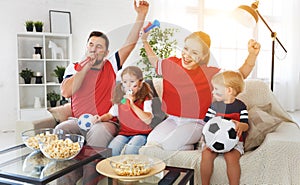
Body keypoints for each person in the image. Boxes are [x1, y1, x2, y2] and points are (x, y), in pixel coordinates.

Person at [55, 1, 149, 184]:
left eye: (99, 47)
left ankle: (90, 178)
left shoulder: (111, 64)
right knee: (60, 130)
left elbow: (130, 44)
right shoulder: (73, 67)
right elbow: (66, 92)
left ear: (106, 52)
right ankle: (68, 175)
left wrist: (141, 15)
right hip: (77, 122)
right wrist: (84, 68)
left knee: (98, 132)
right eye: (91, 44)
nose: (93, 49)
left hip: (103, 121)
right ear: (86, 47)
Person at [140, 31, 260, 151]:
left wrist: (252, 56)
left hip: (196, 123)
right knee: (151, 142)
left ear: (203, 56)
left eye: (194, 53)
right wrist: (144, 41)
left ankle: (186, 147)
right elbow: (155, 61)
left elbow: (240, 74)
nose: (187, 55)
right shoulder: (171, 64)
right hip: (172, 119)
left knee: (169, 145)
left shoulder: (210, 74)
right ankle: (187, 147)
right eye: (186, 49)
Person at [200, 70, 249, 185]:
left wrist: (240, 125)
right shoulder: (214, 106)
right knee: (206, 154)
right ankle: (204, 183)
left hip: (234, 142)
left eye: (216, 89)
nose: (213, 92)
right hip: (213, 141)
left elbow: (246, 125)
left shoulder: (241, 106)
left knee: (231, 158)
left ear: (229, 90)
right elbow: (206, 123)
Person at [93, 66, 153, 156]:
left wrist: (132, 104)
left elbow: (148, 119)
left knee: (130, 150)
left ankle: (129, 168)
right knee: (112, 149)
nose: (128, 85)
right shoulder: (122, 100)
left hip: (141, 134)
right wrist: (100, 119)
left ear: (140, 84)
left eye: (132, 82)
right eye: (125, 82)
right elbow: (110, 114)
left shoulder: (145, 99)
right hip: (124, 133)